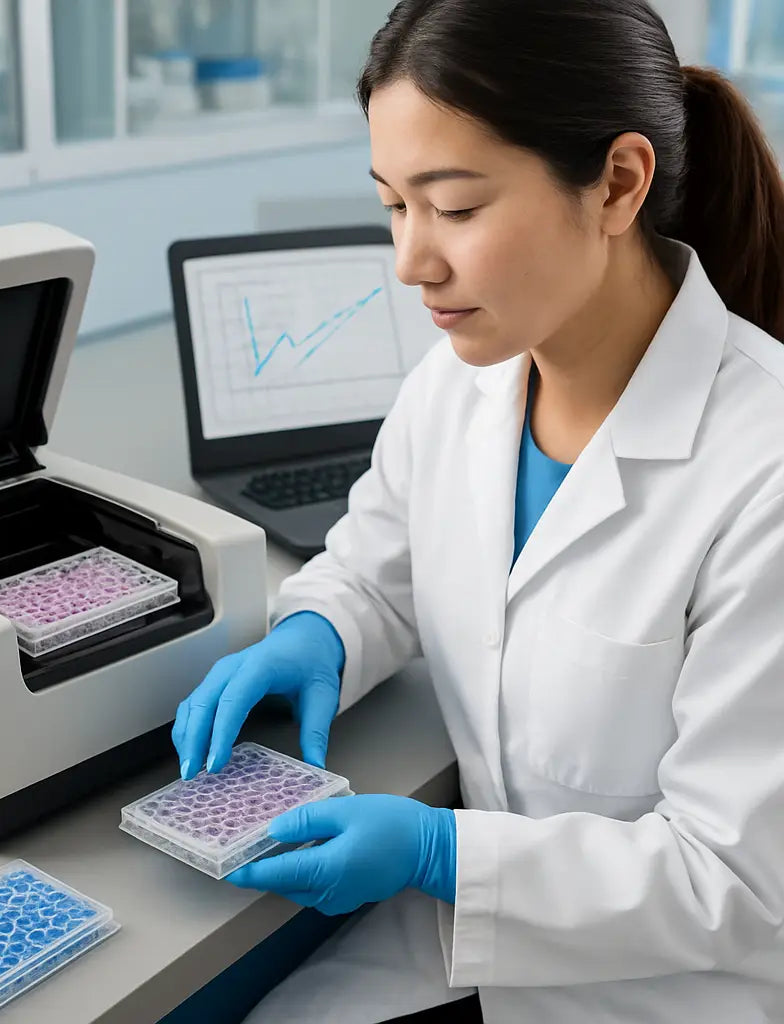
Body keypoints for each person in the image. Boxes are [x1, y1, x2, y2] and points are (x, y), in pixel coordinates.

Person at [172, 1, 784, 1020]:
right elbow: (378, 565)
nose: (410, 262)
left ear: (617, 184)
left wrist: (440, 851)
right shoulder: (463, 378)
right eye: (393, 205)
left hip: (668, 989)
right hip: (468, 939)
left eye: (453, 208)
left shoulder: (763, 470)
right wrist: (321, 629)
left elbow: (730, 876)